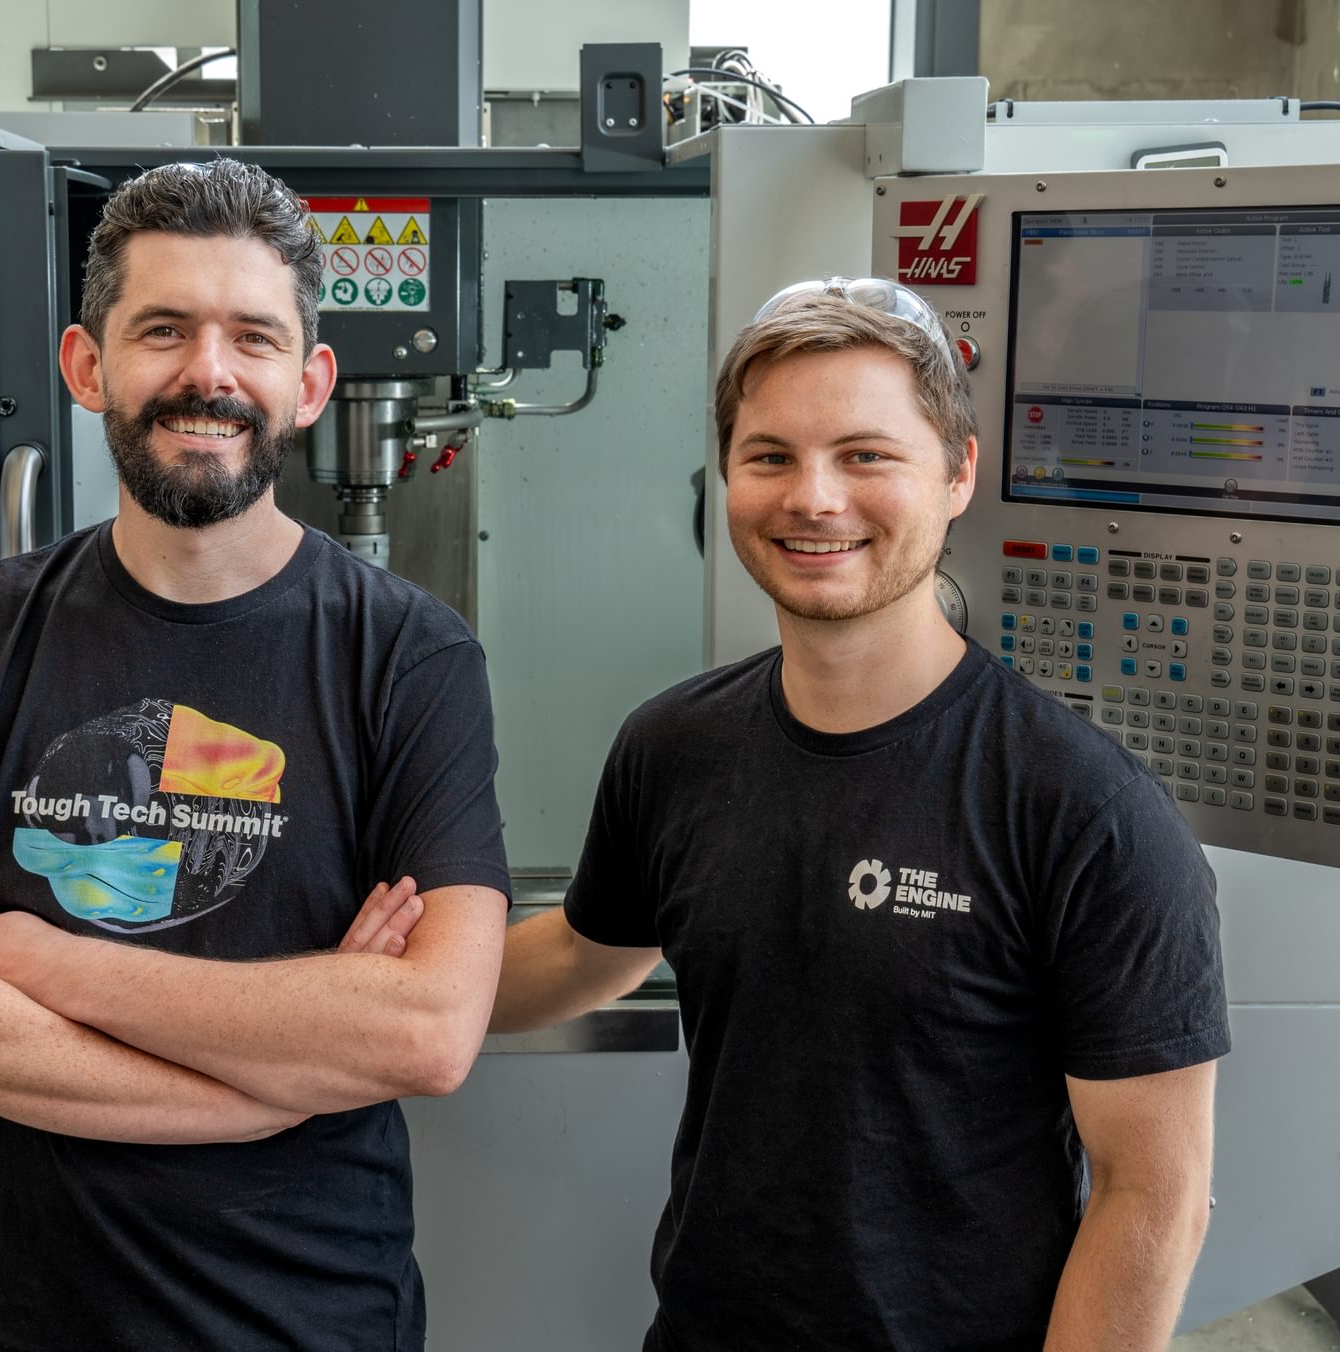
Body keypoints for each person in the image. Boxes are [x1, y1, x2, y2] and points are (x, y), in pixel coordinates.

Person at [482, 279, 1230, 1350]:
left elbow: (1149, 1192)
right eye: (770, 456)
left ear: (957, 471)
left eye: (865, 455)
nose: (813, 498)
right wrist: (355, 993)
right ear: (726, 478)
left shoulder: (1080, 809)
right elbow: (582, 951)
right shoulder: (674, 745)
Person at [0, 159, 510, 1352]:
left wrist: (42, 958)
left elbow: (423, 1033)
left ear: (307, 384)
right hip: (19, 1323)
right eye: (164, 329)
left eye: (252, 336)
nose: (209, 372)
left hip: (310, 1321)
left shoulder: (409, 653)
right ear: (87, 364)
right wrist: (268, 1081)